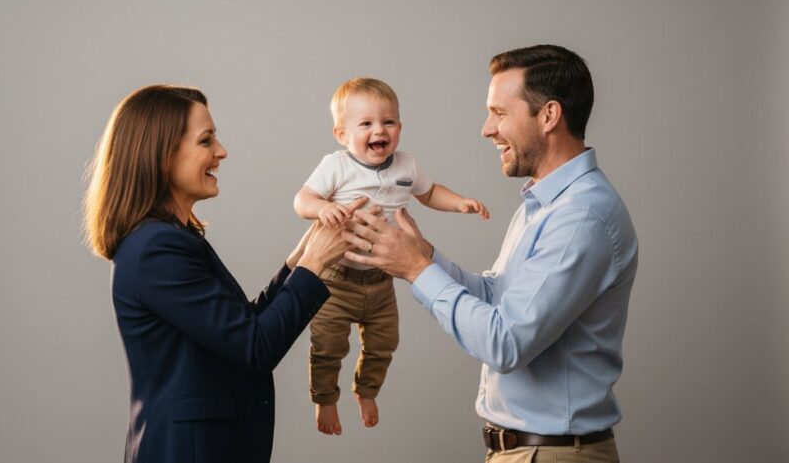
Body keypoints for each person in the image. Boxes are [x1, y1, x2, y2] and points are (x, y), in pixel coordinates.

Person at [343, 45, 638, 462]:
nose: (486, 129)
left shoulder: (581, 218)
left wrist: (417, 269)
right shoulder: (545, 206)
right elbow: (499, 299)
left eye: (500, 113)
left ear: (549, 115)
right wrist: (423, 254)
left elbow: (505, 343)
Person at [82, 85, 367, 463]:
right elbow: (255, 346)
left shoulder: (174, 237)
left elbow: (239, 326)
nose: (221, 151)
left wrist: (300, 259)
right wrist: (314, 264)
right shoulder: (156, 249)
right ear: (162, 156)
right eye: (206, 140)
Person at [294, 77, 489, 435]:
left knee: (385, 341)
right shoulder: (336, 166)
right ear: (342, 134)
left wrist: (459, 202)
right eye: (365, 124)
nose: (378, 130)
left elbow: (429, 194)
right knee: (327, 345)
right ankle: (324, 399)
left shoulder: (406, 165)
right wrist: (322, 208)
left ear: (400, 127)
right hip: (336, 280)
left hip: (381, 280)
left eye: (388, 122)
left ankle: (366, 390)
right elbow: (301, 200)